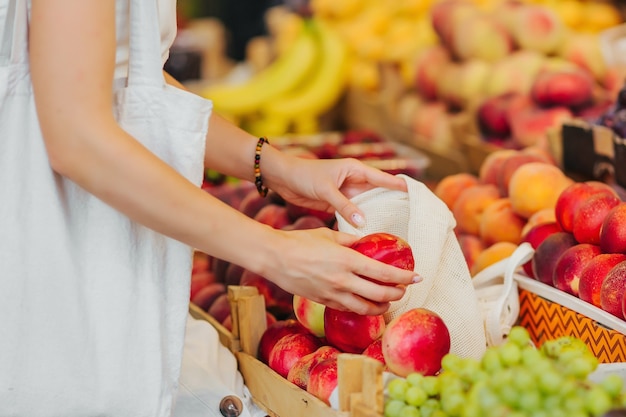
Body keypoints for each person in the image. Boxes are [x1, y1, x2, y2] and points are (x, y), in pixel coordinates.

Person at [0, 0, 420, 416]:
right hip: (48, 275)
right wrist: (277, 252)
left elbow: (128, 78)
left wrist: (275, 167)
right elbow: (78, 139)